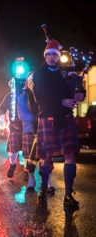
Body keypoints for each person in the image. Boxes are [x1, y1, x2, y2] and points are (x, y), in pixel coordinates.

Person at [33, 39, 85, 208]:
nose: (52, 58)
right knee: (46, 158)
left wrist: (80, 94)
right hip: (48, 118)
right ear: (45, 56)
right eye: (49, 55)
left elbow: (76, 86)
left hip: (66, 118)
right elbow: (40, 98)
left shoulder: (64, 72)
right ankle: (42, 189)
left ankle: (68, 194)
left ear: (58, 57)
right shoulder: (39, 75)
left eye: (55, 55)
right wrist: (62, 102)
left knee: (70, 156)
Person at [17, 72, 54, 192]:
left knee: (46, 156)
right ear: (27, 82)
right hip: (29, 129)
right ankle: (31, 179)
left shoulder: (44, 94)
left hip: (44, 128)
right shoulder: (22, 95)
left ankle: (47, 183)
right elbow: (22, 115)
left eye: (35, 80)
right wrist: (38, 118)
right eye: (31, 80)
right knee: (29, 157)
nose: (33, 82)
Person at [0, 80, 23, 178]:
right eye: (13, 85)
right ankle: (12, 164)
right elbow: (2, 107)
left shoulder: (26, 95)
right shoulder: (9, 97)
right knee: (12, 152)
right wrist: (1, 117)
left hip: (26, 126)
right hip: (14, 127)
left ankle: (29, 171)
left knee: (28, 152)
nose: (15, 87)